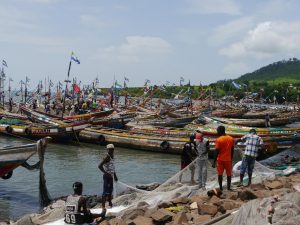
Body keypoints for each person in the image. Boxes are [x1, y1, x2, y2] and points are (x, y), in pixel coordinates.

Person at [212, 126, 234, 191]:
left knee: (220, 174)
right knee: (229, 174)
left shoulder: (219, 139)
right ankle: (228, 188)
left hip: (220, 160)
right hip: (228, 160)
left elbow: (216, 151)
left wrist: (214, 162)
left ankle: (221, 188)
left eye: (217, 131)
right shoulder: (231, 138)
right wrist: (231, 158)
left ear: (220, 131)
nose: (217, 132)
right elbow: (232, 150)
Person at [99, 144, 118, 209]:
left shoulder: (112, 156)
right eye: (110, 149)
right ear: (107, 150)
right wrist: (105, 173)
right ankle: (103, 206)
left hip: (111, 176)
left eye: (112, 149)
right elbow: (99, 166)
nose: (111, 150)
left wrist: (115, 176)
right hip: (107, 177)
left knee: (110, 190)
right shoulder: (107, 157)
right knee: (105, 191)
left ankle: (110, 203)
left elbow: (113, 167)